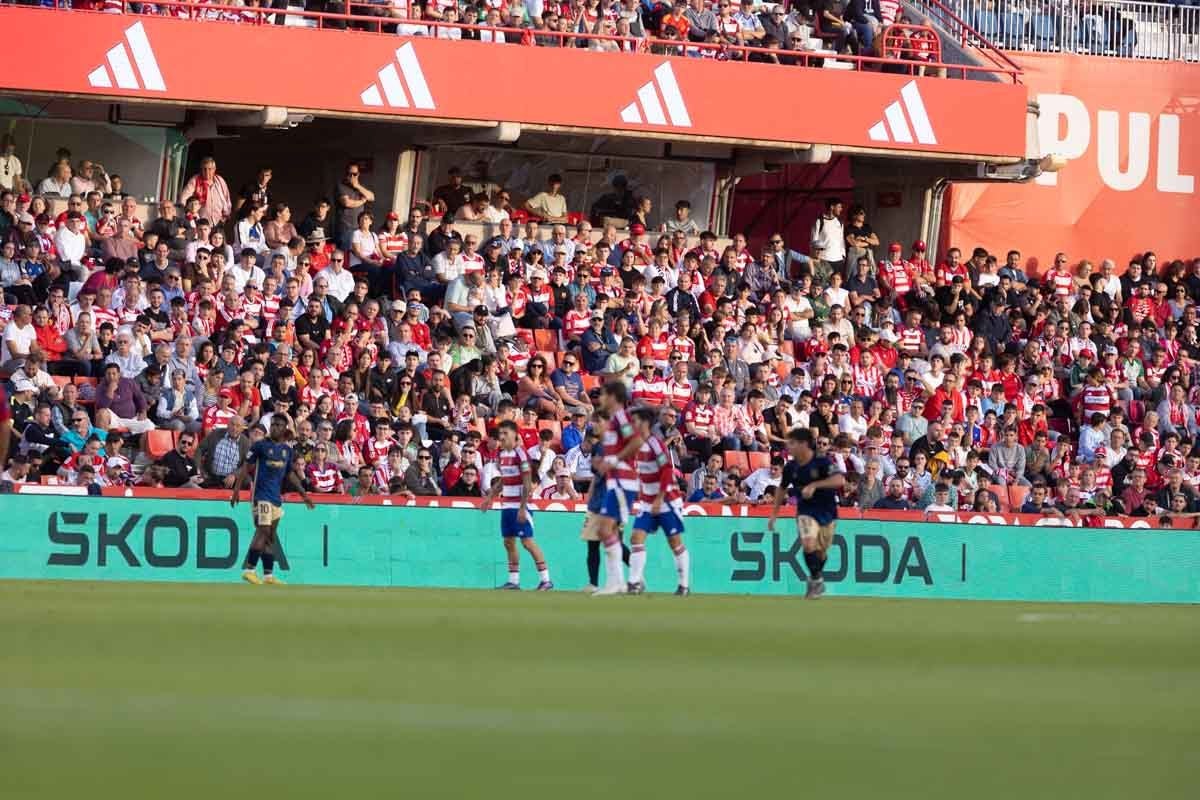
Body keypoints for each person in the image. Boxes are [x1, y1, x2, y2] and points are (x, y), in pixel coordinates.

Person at [230, 413, 315, 585]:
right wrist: (237, 490)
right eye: (273, 424)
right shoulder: (260, 446)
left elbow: (290, 474)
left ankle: (268, 575)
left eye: (278, 425)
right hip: (261, 496)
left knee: (270, 535)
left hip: (276, 497)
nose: (274, 427)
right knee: (263, 530)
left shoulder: (287, 451)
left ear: (284, 429)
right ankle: (249, 570)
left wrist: (304, 495)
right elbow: (246, 467)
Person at [768, 428, 846, 599]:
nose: (789, 446)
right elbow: (782, 489)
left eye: (792, 443)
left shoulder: (822, 462)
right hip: (806, 510)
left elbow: (839, 480)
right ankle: (817, 581)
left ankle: (813, 578)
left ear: (803, 444)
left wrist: (815, 485)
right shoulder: (791, 467)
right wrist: (774, 514)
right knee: (808, 544)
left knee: (821, 553)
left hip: (827, 511)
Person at [480, 419, 553, 591]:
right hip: (507, 505)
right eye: (501, 434)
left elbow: (527, 482)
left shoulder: (520, 454)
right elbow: (503, 481)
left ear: (515, 435)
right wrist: (490, 497)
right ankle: (514, 581)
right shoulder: (502, 455)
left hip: (520, 506)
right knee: (508, 542)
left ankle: (546, 580)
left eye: (506, 433)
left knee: (527, 541)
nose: (502, 437)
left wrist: (523, 507)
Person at [627, 408, 691, 596]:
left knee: (675, 542)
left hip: (667, 500)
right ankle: (634, 583)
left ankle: (684, 585)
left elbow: (666, 471)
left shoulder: (656, 444)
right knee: (636, 538)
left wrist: (659, 498)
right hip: (648, 501)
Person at [592, 380, 645, 596]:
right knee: (607, 530)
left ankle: (622, 582)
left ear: (613, 397)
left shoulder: (622, 417)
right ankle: (623, 581)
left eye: (604, 394)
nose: (601, 398)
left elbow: (637, 442)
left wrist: (613, 460)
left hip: (624, 481)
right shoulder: (615, 420)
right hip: (617, 481)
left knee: (606, 530)